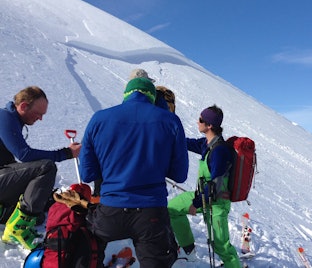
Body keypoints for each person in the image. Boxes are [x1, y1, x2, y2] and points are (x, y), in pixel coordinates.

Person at [79, 77, 189, 267]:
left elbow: (87, 174)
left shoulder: (99, 119)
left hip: (109, 215)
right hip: (152, 216)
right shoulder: (170, 120)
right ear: (152, 96)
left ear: (126, 95)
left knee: (90, 241)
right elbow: (180, 175)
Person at [0, 86, 81, 250]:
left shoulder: (12, 119)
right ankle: (18, 229)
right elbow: (24, 154)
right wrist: (65, 153)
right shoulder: (4, 117)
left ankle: (8, 212)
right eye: (38, 113)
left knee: (40, 206)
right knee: (46, 167)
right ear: (23, 106)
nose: (40, 119)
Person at [168, 105, 241, 268]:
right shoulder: (206, 144)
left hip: (216, 203)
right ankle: (189, 249)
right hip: (203, 196)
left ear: (209, 125)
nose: (197, 122)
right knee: (172, 208)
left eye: (201, 120)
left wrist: (196, 204)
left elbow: (216, 183)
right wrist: (169, 138)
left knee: (221, 247)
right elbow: (187, 143)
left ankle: (233, 265)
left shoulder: (220, 151)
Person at [92, 68, 176, 199]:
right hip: (150, 194)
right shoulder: (159, 101)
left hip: (114, 191)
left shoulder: (107, 115)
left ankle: (99, 196)